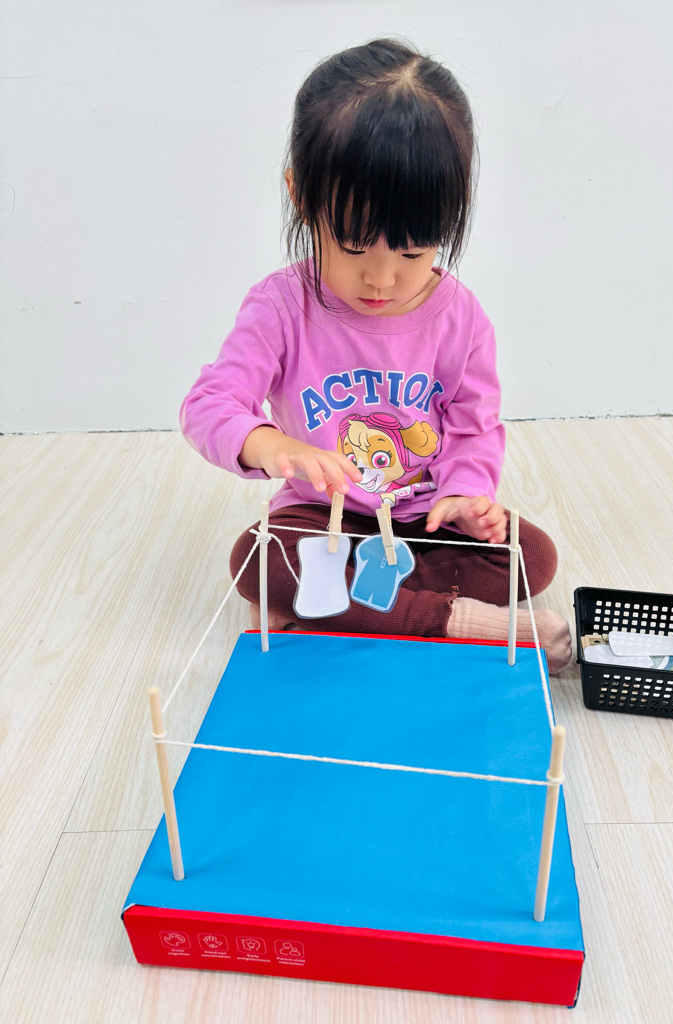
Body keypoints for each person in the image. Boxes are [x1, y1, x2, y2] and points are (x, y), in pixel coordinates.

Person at [180, 38, 572, 672]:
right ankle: (450, 621)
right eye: (355, 246)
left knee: (533, 556)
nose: (382, 280)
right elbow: (208, 405)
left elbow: (474, 426)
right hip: (325, 521)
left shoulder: (461, 316)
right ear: (301, 195)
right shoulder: (279, 307)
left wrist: (466, 497)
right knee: (260, 558)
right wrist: (273, 446)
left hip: (424, 521)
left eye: (413, 252)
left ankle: (335, 609)